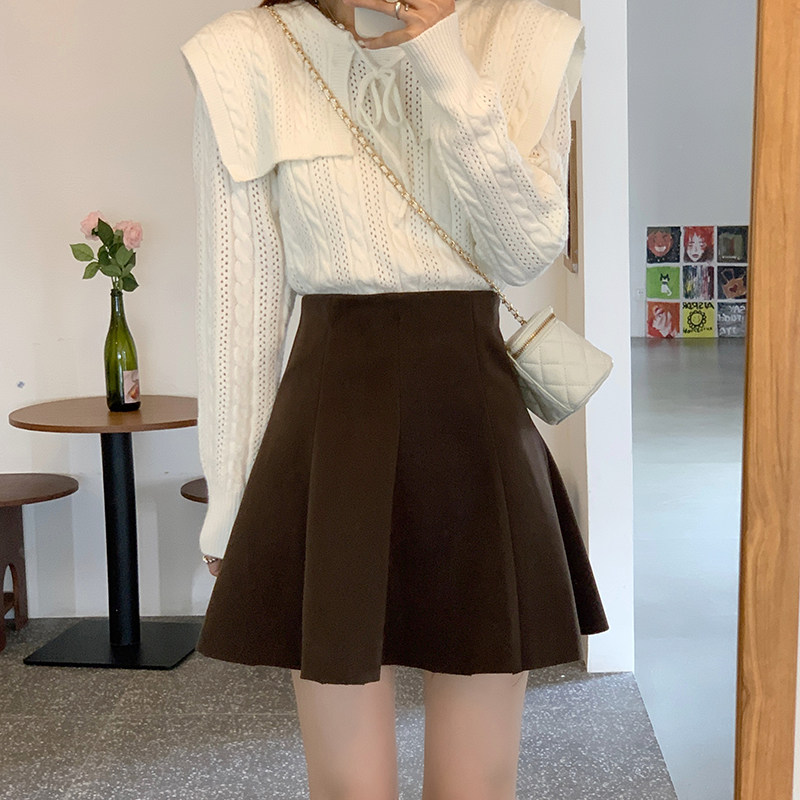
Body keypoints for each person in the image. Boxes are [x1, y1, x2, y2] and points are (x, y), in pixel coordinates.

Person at [181, 0, 609, 797]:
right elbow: (239, 311)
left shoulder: (527, 37)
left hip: (477, 429)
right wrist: (231, 500)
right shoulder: (244, 54)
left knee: (476, 785)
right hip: (327, 430)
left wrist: (443, 59)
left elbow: (525, 249)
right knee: (349, 787)